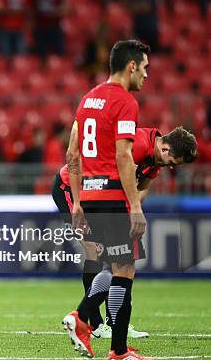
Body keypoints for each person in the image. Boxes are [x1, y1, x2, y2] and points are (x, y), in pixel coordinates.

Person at [53, 126, 198, 339]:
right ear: (165, 149)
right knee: (97, 252)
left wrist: (131, 210)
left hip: (105, 197)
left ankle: (116, 322)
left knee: (119, 262)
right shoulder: (137, 145)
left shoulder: (154, 158)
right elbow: (101, 171)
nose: (172, 167)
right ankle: (94, 324)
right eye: (173, 162)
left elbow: (143, 186)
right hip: (73, 189)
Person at [61, 39, 153, 360]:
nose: (145, 76)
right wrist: (136, 206)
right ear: (131, 66)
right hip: (114, 196)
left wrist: (76, 202)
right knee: (125, 270)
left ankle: (98, 331)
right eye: (144, 69)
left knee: (113, 267)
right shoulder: (125, 102)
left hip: (90, 195)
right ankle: (105, 339)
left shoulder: (87, 99)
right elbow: (124, 155)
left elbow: (72, 154)